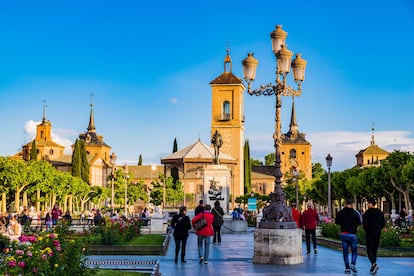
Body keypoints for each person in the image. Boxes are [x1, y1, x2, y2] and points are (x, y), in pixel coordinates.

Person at [335, 198, 361, 274]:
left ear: (345, 203)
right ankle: (353, 264)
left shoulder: (340, 212)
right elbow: (359, 223)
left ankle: (347, 268)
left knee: (345, 252)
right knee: (354, 251)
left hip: (344, 234)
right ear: (352, 204)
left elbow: (337, 222)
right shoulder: (355, 213)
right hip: (352, 235)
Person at [363, 199, 385, 275]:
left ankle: (373, 263)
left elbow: (364, 225)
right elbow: (383, 224)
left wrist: (367, 229)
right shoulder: (380, 213)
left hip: (369, 233)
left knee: (369, 250)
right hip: (377, 233)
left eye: (368, 203)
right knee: (374, 250)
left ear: (371, 204)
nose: (367, 205)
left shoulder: (367, 213)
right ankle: (373, 265)